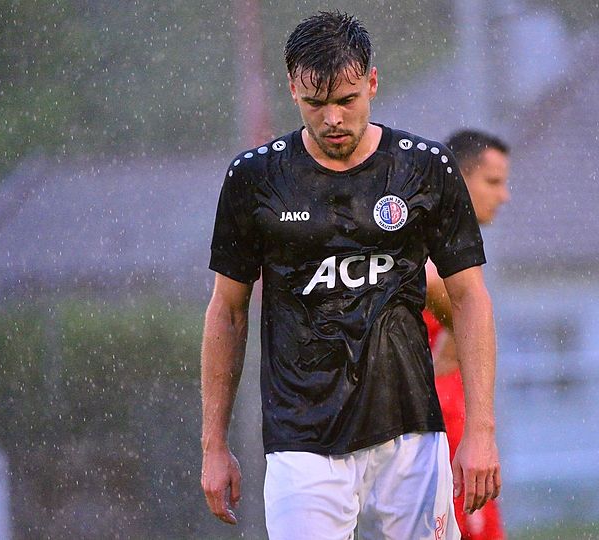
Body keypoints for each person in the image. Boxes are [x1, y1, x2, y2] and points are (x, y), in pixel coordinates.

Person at [200, 11, 500, 540]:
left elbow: (470, 297)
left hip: (410, 430)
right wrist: (213, 445)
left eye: (347, 99)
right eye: (316, 103)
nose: (333, 118)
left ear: (373, 83)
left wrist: (480, 430)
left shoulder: (425, 168)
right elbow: (227, 311)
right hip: (301, 438)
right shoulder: (255, 179)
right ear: (293, 89)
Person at [423, 130, 509, 540]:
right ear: (458, 179)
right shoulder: (428, 240)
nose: (504, 195)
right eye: (493, 182)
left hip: (456, 415)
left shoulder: (459, 247)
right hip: (437, 422)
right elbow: (424, 277)